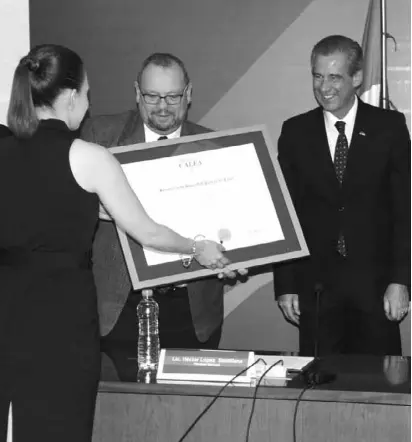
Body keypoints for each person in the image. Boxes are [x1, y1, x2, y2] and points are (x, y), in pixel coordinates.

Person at [0, 44, 228, 442]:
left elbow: (52, 210)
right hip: (60, 323)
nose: (88, 105)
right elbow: (149, 232)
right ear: (70, 95)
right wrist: (198, 248)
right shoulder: (88, 155)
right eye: (87, 94)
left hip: (7, 313)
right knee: (57, 429)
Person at [82, 52, 244, 350]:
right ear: (136, 93)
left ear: (189, 93)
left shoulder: (216, 147)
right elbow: (66, 204)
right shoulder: (100, 137)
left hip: (191, 310)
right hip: (119, 306)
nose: (162, 107)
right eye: (152, 96)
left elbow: (233, 226)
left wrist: (237, 254)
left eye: (172, 97)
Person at [274, 35, 410, 356]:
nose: (324, 87)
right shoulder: (295, 132)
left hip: (375, 287)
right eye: (318, 76)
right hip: (316, 289)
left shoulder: (389, 127)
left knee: (380, 387)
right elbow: (286, 212)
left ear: (357, 78)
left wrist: (400, 280)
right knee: (318, 387)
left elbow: (404, 209)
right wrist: (286, 284)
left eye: (334, 76)